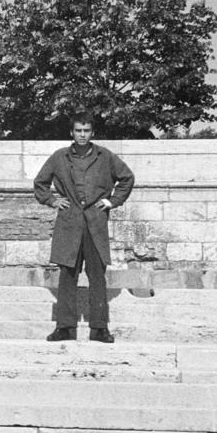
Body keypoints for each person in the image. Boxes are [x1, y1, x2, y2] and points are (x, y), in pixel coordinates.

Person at [32, 113, 135, 343]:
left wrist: (111, 201)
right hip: (69, 223)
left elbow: (127, 178)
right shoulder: (60, 157)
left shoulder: (105, 156)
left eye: (86, 131)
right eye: (78, 130)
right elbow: (40, 183)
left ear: (92, 133)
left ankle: (99, 328)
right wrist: (53, 200)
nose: (82, 135)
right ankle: (65, 327)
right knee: (67, 275)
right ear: (72, 132)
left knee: (97, 275)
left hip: (95, 223)